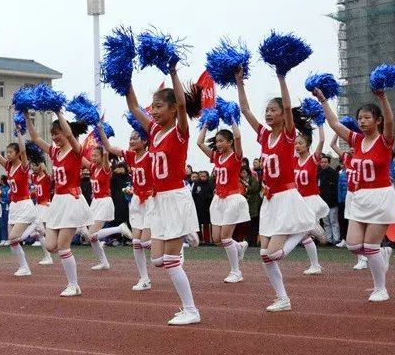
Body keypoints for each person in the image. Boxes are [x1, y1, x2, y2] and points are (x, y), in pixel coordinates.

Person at [126, 59, 203, 325]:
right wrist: (125, 80)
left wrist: (172, 72)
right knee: (158, 260)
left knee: (169, 261)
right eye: (154, 106)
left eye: (160, 106)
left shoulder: (180, 132)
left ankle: (191, 309)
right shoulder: (154, 131)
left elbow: (183, 104)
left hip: (175, 197)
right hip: (158, 202)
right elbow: (134, 107)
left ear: (173, 109)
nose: (154, 111)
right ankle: (181, 242)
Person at [241, 69, 323, 312]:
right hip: (270, 199)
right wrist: (238, 81)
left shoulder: (288, 136)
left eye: (272, 110)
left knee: (274, 254)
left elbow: (288, 109)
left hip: (287, 196)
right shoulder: (264, 137)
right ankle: (283, 298)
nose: (268, 114)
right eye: (266, 110)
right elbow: (245, 110)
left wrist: (281, 78)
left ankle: (305, 227)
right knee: (265, 255)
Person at [313, 82, 395, 303]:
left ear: (377, 120)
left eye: (367, 117)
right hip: (359, 198)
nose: (362, 121)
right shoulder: (356, 140)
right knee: (353, 245)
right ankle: (383, 254)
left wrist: (382, 97)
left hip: (380, 197)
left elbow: (390, 120)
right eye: (360, 118)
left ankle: (381, 288)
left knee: (370, 247)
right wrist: (322, 100)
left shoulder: (384, 141)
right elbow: (333, 123)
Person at [27, 108, 91, 297]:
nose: (55, 137)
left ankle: (74, 285)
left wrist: (58, 112)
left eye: (58, 133)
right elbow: (36, 138)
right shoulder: (54, 153)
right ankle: (80, 229)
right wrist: (25, 116)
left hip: (72, 201)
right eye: (53, 134)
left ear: (65, 132)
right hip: (57, 202)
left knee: (63, 247)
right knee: (49, 246)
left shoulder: (76, 151)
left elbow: (71, 134)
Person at [98, 124, 154, 290]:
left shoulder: (152, 156)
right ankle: (144, 279)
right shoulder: (130, 156)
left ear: (145, 140)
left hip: (151, 199)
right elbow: (108, 147)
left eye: (135, 137)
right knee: (136, 242)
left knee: (145, 242)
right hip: (137, 200)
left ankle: (173, 246)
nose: (131, 140)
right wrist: (100, 129)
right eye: (130, 138)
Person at [196, 126, 250, 284]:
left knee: (226, 238)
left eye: (221, 141)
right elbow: (199, 143)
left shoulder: (236, 156)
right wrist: (205, 124)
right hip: (218, 200)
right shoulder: (216, 157)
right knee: (217, 239)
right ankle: (239, 247)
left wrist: (233, 119)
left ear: (230, 142)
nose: (218, 144)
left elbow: (239, 138)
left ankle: (236, 271)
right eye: (217, 141)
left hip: (232, 198)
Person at [0, 131, 43, 277]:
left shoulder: (23, 167)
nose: (8, 154)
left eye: (11, 152)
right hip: (14, 206)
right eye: (7, 152)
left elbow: (24, 150)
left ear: (18, 153)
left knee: (13, 238)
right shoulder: (8, 167)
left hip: (25, 204)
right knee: (13, 242)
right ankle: (24, 267)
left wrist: (19, 134)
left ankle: (34, 226)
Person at [80, 139, 132, 271]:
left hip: (104, 202)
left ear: (102, 156)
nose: (93, 157)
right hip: (95, 203)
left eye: (95, 155)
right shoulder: (92, 168)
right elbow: (80, 155)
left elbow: (105, 155)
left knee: (91, 235)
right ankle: (104, 262)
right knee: (91, 238)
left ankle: (120, 229)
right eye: (92, 155)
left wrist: (104, 147)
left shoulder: (105, 168)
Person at [293, 123, 328, 275]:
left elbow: (321, 141)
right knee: (304, 234)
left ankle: (319, 232)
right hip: (298, 200)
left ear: (307, 145)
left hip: (311, 199)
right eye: (295, 144)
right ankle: (315, 265)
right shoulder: (294, 160)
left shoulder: (313, 159)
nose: (297, 146)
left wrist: (320, 124)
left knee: (306, 227)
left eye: (300, 143)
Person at [318, 155, 341, 245]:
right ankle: (329, 239)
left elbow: (336, 188)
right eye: (322, 162)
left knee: (334, 221)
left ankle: (336, 239)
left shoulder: (334, 173)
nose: (323, 164)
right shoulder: (319, 173)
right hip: (322, 202)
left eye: (325, 162)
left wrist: (336, 200)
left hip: (332, 202)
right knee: (326, 222)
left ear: (329, 162)